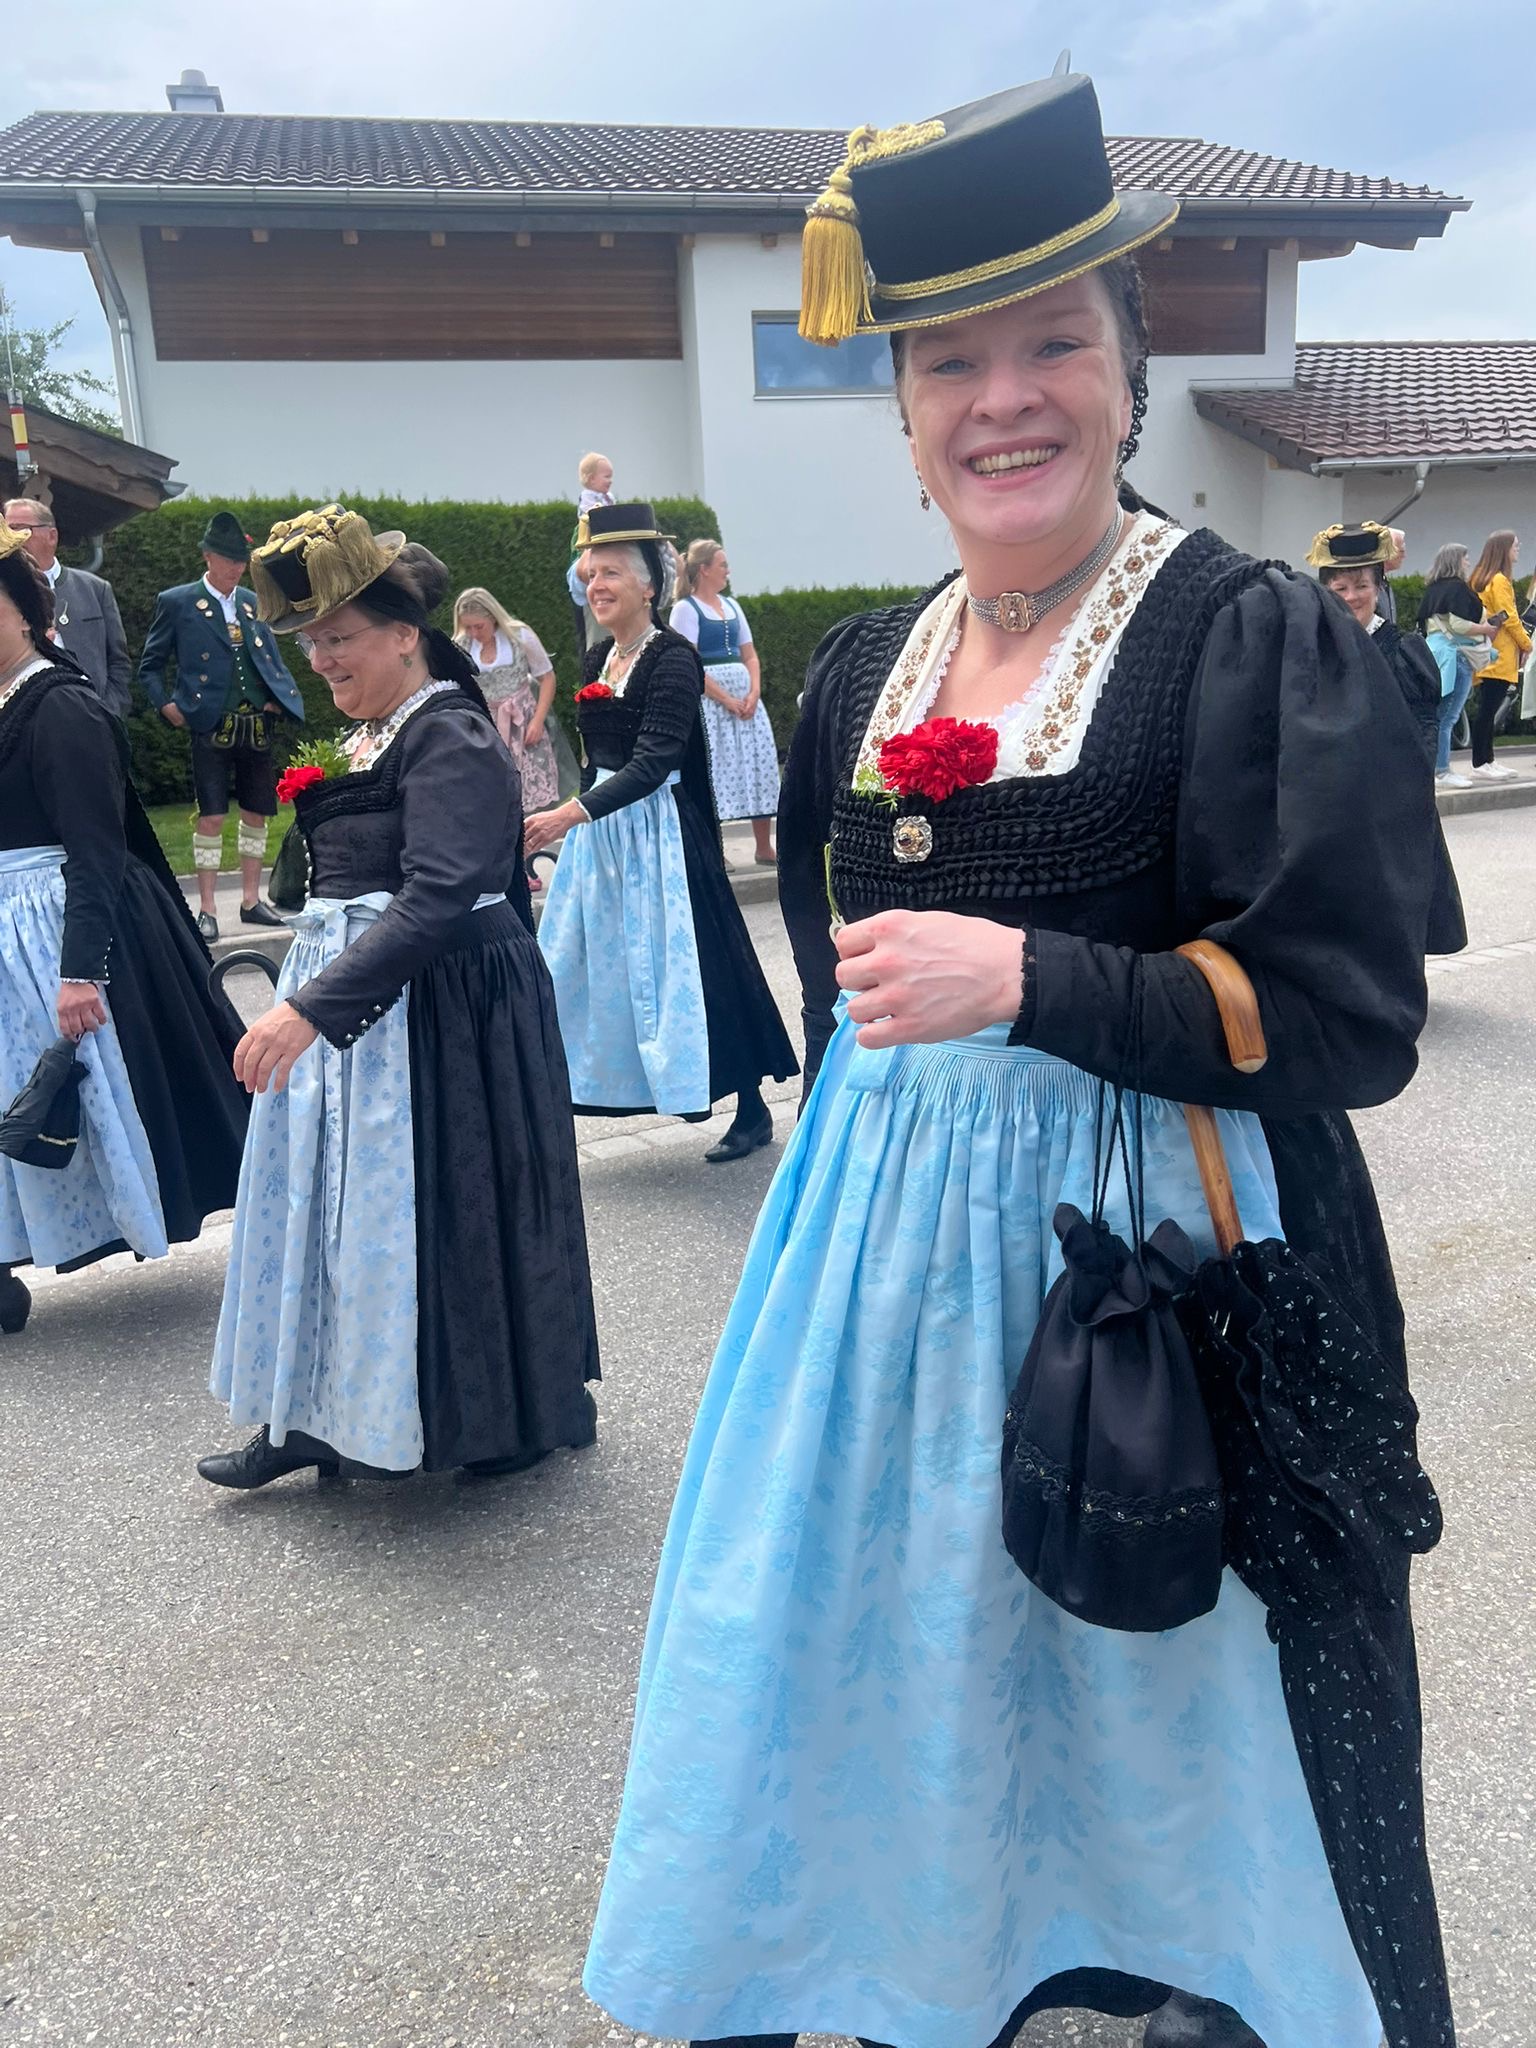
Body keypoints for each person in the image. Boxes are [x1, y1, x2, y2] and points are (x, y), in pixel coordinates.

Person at [583, 74, 1455, 2048]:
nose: (1004, 399)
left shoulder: (1246, 639)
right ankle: (947, 1968)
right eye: (949, 361)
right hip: (883, 1301)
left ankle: (1223, 1990)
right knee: (926, 1692)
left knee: (1201, 1715)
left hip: (1174, 1287)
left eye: (1054, 343)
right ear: (901, 416)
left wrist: (1038, 980)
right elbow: (847, 999)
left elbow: (1347, 1019)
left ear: (1132, 376)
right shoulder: (855, 670)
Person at [197, 507, 599, 1490]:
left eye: (339, 638)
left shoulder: (448, 733)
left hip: (443, 1007)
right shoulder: (380, 732)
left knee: (447, 1214)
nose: (321, 659)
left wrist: (309, 1007)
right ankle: (310, 1411)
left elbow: (439, 893)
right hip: (372, 1004)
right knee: (320, 1211)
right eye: (313, 643)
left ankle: (494, 1412)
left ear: (405, 635)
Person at [0, 522, 247, 1337]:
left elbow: (97, 850)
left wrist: (80, 970)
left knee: (86, 1097)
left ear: (27, 610)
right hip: (9, 930)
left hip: (58, 926)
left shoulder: (60, 706)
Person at [526, 502, 798, 1164]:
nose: (596, 585)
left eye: (611, 573)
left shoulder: (674, 658)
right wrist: (581, 816)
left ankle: (751, 1108)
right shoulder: (599, 657)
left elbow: (654, 761)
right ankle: (575, 1096)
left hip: (661, 833)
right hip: (602, 835)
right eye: (591, 574)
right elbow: (598, 758)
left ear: (650, 585)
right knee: (587, 968)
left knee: (691, 967)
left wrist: (570, 814)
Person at [138, 510, 307, 939]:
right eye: (230, 560)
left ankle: (251, 900)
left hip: (256, 725)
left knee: (256, 813)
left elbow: (268, 658)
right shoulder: (178, 601)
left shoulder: (251, 602)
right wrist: (166, 705)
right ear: (208, 557)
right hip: (209, 723)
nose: (237, 569)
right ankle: (208, 908)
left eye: (241, 561)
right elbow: (150, 666)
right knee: (211, 816)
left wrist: (276, 700)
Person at [1310, 523, 1466, 955]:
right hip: (1329, 806)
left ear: (1379, 587)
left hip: (1388, 807)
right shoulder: (1313, 647)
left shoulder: (1402, 651)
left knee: (1391, 918)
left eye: (1362, 585)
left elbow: (1421, 735)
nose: (1352, 596)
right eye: (1340, 587)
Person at [452, 586, 577, 889]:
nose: (474, 632)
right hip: (488, 726)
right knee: (493, 796)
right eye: (468, 627)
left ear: (493, 618)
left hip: (522, 722)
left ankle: (529, 864)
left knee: (528, 798)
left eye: (479, 626)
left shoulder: (520, 636)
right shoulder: (462, 645)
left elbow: (547, 677)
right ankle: (506, 868)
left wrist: (538, 720)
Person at [670, 539, 780, 864]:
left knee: (758, 765)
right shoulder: (685, 610)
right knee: (715, 771)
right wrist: (726, 699)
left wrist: (753, 692)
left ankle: (763, 845)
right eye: (722, 565)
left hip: (746, 705)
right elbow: (689, 663)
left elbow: (750, 655)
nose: (727, 571)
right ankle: (716, 850)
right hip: (712, 707)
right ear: (704, 569)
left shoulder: (732, 606)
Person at [4, 495, 132, 719]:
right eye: (7, 528)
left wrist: (109, 711)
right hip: (25, 717)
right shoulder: (7, 594)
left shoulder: (95, 588)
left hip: (93, 715)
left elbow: (118, 660)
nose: (12, 537)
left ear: (51, 536)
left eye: (20, 528)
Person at [1416, 541, 1495, 788]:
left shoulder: (1433, 589)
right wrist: (1486, 629)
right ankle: (1442, 771)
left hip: (1435, 653)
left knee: (1436, 716)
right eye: (1465, 557)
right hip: (1456, 656)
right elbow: (1459, 625)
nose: (1468, 561)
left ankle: (1435, 768)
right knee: (1448, 717)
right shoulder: (1457, 589)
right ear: (1456, 560)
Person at [1467, 528, 1530, 780]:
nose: (1518, 549)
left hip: (1487, 650)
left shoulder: (1481, 578)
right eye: (1515, 545)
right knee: (1489, 710)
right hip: (1500, 653)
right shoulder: (1500, 580)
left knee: (1488, 708)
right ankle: (1481, 761)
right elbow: (1510, 618)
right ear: (1504, 550)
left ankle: (1487, 759)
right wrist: (1527, 644)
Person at [569, 452, 617, 660]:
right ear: (590, 479)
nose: (610, 480)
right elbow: (592, 520)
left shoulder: (609, 498)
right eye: (606, 476)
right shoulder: (589, 501)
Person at [1373, 525, 1406, 623]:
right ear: (1388, 551)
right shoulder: (1372, 583)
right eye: (1401, 551)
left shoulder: (1384, 582)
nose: (1404, 556)